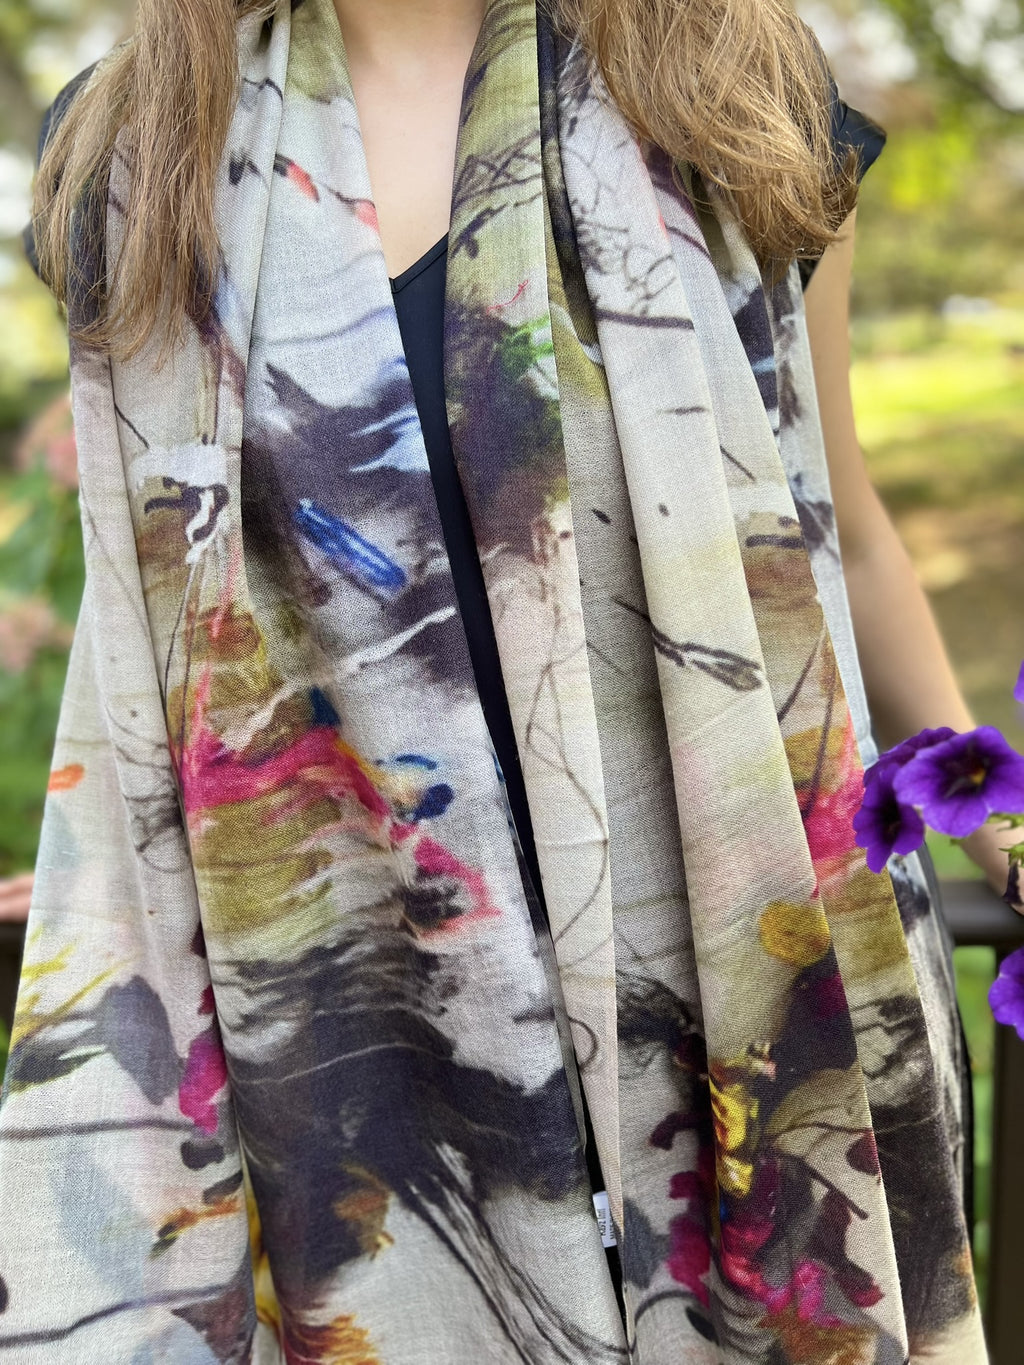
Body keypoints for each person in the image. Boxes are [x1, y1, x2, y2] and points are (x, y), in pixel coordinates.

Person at [0, 0, 1003, 1360]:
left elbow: (839, 521)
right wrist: (121, 873)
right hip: (369, 1049)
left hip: (750, 978)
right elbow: (149, 635)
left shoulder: (723, 81)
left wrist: (986, 800)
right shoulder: (130, 152)